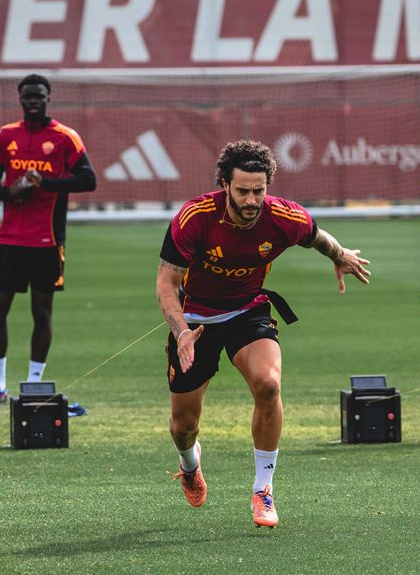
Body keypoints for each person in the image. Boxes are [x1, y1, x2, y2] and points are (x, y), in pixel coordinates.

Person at [156, 140, 370, 528]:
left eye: (259, 190)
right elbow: (166, 285)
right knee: (183, 427)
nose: (252, 199)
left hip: (247, 311)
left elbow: (318, 237)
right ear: (224, 184)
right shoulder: (194, 218)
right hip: (195, 320)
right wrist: (182, 331)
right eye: (243, 191)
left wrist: (341, 256)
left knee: (269, 385)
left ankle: (263, 490)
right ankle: (189, 466)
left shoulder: (285, 216)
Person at [0, 73, 97, 404]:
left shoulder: (65, 137)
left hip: (47, 241)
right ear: (20, 99)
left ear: (48, 98)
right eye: (27, 96)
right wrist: (10, 192)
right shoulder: (7, 135)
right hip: (10, 239)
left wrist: (45, 183)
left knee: (41, 312)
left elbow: (88, 179)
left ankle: (34, 383)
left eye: (39, 95)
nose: (33, 101)